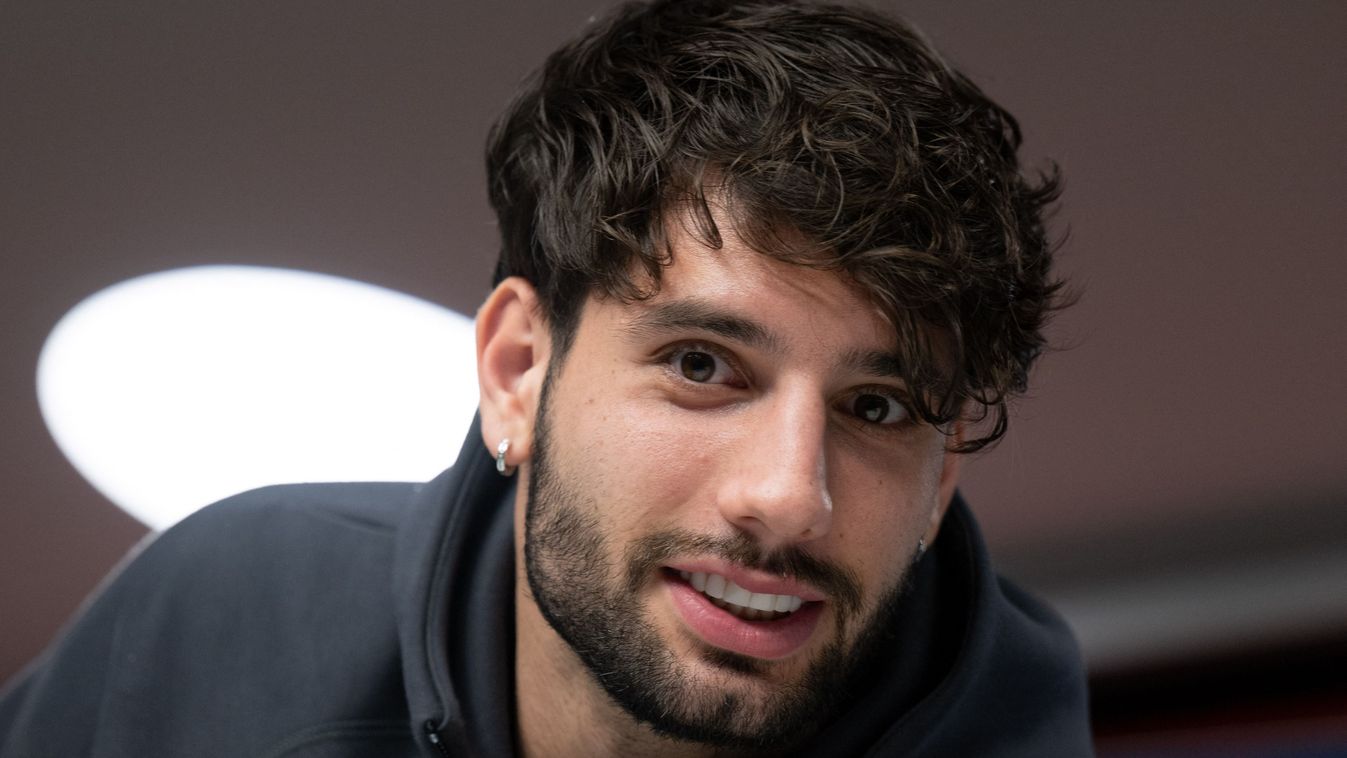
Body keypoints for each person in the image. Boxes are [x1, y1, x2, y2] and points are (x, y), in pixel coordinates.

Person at [0, 0, 1093, 755]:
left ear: (943, 474)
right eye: (704, 365)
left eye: (878, 406)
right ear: (518, 370)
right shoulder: (226, 624)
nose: (788, 494)